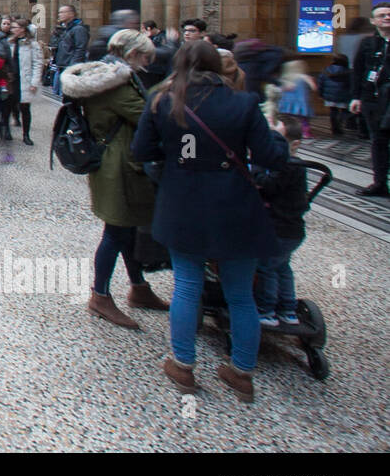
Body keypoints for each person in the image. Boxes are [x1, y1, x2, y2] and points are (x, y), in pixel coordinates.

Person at [132, 40, 290, 403]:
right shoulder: (243, 102)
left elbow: (141, 151)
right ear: (217, 66)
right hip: (234, 202)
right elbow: (270, 155)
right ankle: (242, 373)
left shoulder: (163, 101)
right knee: (239, 293)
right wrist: (279, 139)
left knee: (187, 285)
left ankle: (184, 366)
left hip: (183, 201)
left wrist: (177, 153)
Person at [62, 29, 167, 330]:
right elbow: (146, 116)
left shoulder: (109, 75)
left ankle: (139, 288)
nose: (149, 62)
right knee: (117, 231)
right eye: (146, 56)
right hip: (119, 164)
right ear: (131, 54)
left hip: (119, 160)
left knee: (127, 228)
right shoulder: (115, 83)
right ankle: (100, 296)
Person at [253, 116, 309, 328]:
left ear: (294, 145)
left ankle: (266, 310)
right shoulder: (295, 167)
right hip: (293, 231)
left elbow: (268, 185)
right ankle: (287, 309)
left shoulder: (287, 166)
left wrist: (256, 170)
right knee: (282, 267)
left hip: (278, 229)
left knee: (266, 267)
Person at [350, 2, 390, 196]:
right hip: (372, 99)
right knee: (378, 141)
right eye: (382, 15)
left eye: (389, 14)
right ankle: (380, 182)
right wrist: (355, 97)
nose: (387, 18)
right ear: (374, 21)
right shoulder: (368, 43)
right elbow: (358, 72)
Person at [8, 17, 42, 145]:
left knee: (25, 108)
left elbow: (37, 64)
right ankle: (7, 130)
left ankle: (26, 134)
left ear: (22, 29)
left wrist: (34, 82)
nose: (12, 30)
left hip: (24, 79)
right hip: (12, 79)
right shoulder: (10, 42)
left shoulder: (32, 45)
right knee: (9, 104)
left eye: (14, 27)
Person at [51, 5, 89, 94]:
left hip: (69, 67)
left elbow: (80, 48)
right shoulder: (67, 29)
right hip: (62, 66)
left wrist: (72, 67)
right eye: (59, 12)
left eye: (62, 12)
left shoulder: (78, 29)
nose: (59, 15)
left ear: (71, 14)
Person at [276, 59, 316, 138]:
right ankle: (305, 133)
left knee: (288, 119)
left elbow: (279, 90)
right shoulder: (304, 77)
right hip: (302, 101)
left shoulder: (284, 78)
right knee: (304, 119)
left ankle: (288, 132)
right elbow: (314, 88)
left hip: (287, 103)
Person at [318, 53, 353, 137]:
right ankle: (341, 123)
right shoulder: (348, 72)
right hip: (344, 95)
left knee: (333, 111)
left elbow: (321, 83)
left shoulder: (326, 70)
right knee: (345, 111)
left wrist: (321, 94)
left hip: (329, 96)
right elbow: (352, 84)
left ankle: (335, 128)